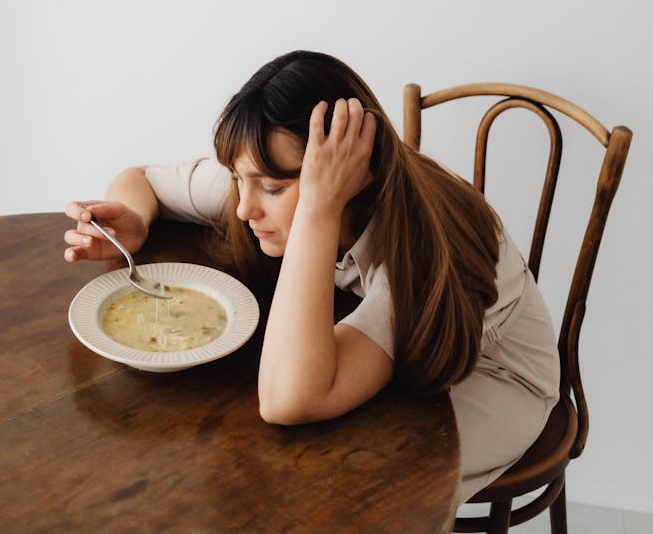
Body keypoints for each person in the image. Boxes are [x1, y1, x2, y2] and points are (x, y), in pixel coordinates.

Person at [64, 50, 560, 505]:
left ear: (352, 173)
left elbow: (288, 398)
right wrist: (133, 216)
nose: (244, 206)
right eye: (238, 179)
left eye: (273, 188)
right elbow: (141, 178)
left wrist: (319, 208)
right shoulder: (263, 178)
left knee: (335, 487)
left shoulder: (417, 253)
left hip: (485, 380)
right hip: (388, 349)